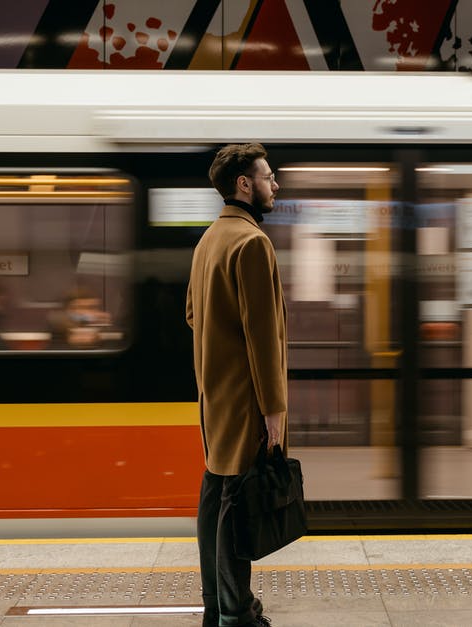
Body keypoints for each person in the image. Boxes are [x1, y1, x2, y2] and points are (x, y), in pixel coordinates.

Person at [186, 143, 286, 627]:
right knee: (235, 508)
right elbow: (263, 337)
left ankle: (216, 606)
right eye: (268, 177)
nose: (275, 185)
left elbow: (192, 314)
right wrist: (274, 410)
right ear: (244, 184)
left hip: (213, 395)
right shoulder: (251, 243)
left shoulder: (209, 239)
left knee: (215, 497)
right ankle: (236, 613)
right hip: (245, 399)